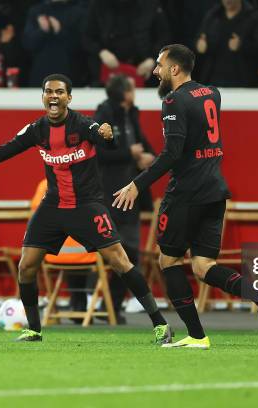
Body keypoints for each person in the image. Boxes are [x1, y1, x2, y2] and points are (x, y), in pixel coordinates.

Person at [0, 73, 172, 344]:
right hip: (52, 206)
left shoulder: (83, 125)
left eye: (59, 92)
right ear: (43, 97)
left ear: (69, 98)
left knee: (120, 262)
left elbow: (104, 138)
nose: (53, 96)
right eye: (48, 91)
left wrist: (107, 135)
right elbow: (2, 152)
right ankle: (34, 330)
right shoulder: (37, 130)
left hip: (87, 206)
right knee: (26, 266)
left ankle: (160, 324)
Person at [113, 44, 258, 349]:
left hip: (187, 193)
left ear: (174, 69)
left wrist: (137, 184)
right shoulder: (212, 93)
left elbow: (172, 154)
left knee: (168, 261)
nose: (155, 71)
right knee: (204, 266)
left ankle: (196, 335)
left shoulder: (173, 101)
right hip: (215, 190)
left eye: (160, 65)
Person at [95, 74, 156, 323]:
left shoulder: (132, 114)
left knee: (130, 253)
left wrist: (146, 157)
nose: (135, 91)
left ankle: (110, 306)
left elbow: (144, 144)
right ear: (124, 92)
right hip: (107, 194)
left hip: (130, 195)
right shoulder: (103, 115)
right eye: (132, 87)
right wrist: (128, 153)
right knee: (102, 251)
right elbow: (99, 152)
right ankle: (84, 303)